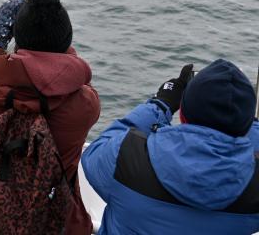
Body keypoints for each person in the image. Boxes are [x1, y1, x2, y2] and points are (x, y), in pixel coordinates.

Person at [0, 0, 100, 235]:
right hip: (60, 225)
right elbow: (75, 75)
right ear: (66, 40)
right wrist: (56, 42)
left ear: (19, 39)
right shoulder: (85, 106)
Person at [82, 59, 259, 235]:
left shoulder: (125, 157)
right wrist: (242, 120)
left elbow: (93, 155)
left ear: (182, 114)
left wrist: (160, 104)